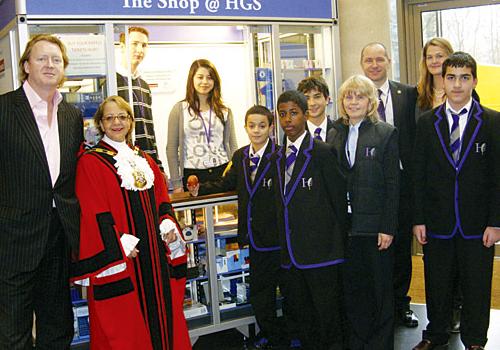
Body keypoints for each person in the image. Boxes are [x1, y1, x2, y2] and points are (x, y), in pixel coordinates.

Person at [72, 96, 191, 350]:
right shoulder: (91, 162)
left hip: (154, 258)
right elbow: (93, 210)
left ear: (131, 122)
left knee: (163, 319)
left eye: (122, 117)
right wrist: (118, 241)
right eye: (110, 118)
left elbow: (162, 201)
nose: (117, 122)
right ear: (101, 124)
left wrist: (168, 224)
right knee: (125, 330)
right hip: (125, 258)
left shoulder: (145, 160)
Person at [412, 52, 500, 350]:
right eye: (451, 77)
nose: (458, 84)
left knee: (477, 285)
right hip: (437, 222)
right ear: (442, 80)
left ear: (474, 80)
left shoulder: (492, 121)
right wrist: (418, 218)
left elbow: (498, 176)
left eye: (464, 77)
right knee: (437, 284)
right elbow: (418, 176)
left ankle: (475, 339)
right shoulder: (427, 123)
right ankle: (436, 334)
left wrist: (496, 222)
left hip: (478, 224)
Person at [0, 34, 83, 349]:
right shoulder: (5, 109)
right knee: (12, 331)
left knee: (58, 325)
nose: (50, 65)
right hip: (12, 240)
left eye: (56, 60)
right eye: (41, 58)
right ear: (25, 66)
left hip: (59, 234)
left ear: (63, 69)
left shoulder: (71, 115)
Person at [188, 105, 284, 349]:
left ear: (271, 128)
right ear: (245, 127)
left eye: (262, 125)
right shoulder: (240, 156)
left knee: (288, 291)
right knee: (261, 294)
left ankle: (287, 337)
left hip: (278, 237)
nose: (256, 130)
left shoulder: (280, 156)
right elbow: (226, 183)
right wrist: (200, 189)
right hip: (252, 236)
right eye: (252, 126)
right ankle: (272, 338)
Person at [328, 75, 399, 349]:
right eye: (348, 96)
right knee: (353, 291)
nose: (353, 102)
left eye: (360, 96)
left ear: (371, 101)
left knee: (379, 292)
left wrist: (388, 227)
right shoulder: (336, 133)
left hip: (375, 229)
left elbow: (393, 185)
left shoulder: (386, 133)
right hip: (346, 228)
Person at [272, 90, 348, 349]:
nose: (288, 120)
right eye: (282, 114)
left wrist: (338, 243)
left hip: (322, 252)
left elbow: (338, 201)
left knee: (328, 315)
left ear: (305, 115)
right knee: (301, 316)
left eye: (293, 113)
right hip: (291, 254)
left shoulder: (322, 152)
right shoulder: (277, 157)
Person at [360, 41, 418, 328]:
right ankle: (376, 305)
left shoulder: (407, 94)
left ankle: (400, 304)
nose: (374, 65)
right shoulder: (356, 96)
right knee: (373, 250)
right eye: (369, 60)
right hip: (369, 189)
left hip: (402, 185)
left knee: (400, 248)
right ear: (362, 64)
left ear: (389, 61)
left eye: (379, 59)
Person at [167, 58, 237, 192]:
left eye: (209, 78)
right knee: (197, 212)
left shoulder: (225, 110)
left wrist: (236, 173)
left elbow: (232, 145)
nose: (205, 82)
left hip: (222, 171)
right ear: (192, 79)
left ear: (215, 81)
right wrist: (176, 184)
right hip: (192, 175)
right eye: (200, 77)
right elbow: (171, 149)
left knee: (225, 212)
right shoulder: (180, 109)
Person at [117, 26, 165, 173]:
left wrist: (158, 164)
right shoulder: (112, 81)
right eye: (135, 44)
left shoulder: (144, 85)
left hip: (147, 160)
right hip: (122, 163)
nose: (140, 50)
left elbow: (149, 129)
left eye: (144, 45)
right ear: (123, 46)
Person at [297, 76, 334, 142]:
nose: (312, 103)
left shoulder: (339, 131)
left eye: (317, 97)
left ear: (327, 99)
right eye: (307, 98)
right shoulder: (295, 133)